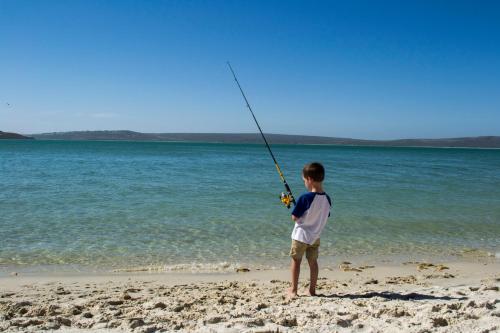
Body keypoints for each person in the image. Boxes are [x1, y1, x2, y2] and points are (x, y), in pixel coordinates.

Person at [288, 162, 331, 298]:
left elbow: (295, 217)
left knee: (296, 261)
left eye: (304, 180)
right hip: (315, 237)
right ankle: (312, 291)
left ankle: (293, 290)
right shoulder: (327, 199)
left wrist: (289, 205)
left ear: (310, 179)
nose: (305, 183)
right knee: (313, 262)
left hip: (301, 236)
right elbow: (324, 214)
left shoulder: (305, 198)